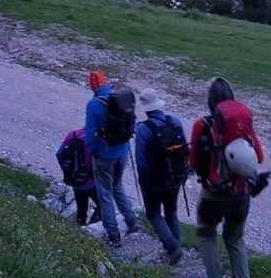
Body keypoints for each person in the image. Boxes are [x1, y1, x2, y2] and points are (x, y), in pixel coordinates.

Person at [189, 76, 265, 278]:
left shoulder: (202, 124)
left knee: (206, 233)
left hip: (213, 193)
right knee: (235, 240)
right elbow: (259, 157)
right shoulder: (244, 125)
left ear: (210, 100)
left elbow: (193, 162)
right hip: (241, 194)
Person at [84, 70, 140, 246]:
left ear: (92, 85)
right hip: (122, 152)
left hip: (104, 155)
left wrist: (93, 152)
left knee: (105, 193)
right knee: (117, 185)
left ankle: (114, 236)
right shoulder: (119, 99)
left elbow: (90, 136)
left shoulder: (93, 104)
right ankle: (132, 221)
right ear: (105, 82)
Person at [134, 88, 188, 265]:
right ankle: (176, 248)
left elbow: (141, 160)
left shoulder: (143, 129)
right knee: (171, 212)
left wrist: (144, 180)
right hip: (176, 176)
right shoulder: (176, 121)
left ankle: (173, 248)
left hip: (155, 181)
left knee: (153, 213)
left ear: (146, 109)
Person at [56, 127, 102, 226]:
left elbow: (59, 154)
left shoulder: (72, 134)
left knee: (81, 211)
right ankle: (91, 229)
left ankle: (81, 228)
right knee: (102, 207)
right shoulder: (96, 139)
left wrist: (66, 169)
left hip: (75, 181)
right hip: (91, 182)